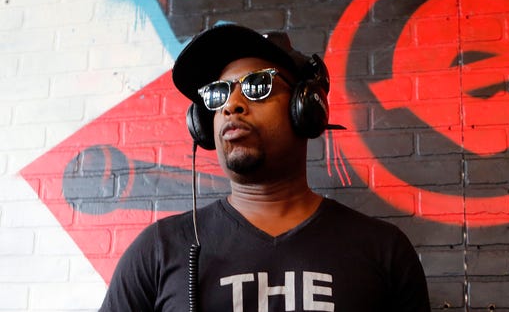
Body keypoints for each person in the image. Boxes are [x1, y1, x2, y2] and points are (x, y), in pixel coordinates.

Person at [99, 24, 431, 311]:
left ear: (305, 108)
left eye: (258, 86)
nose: (232, 105)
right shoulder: (160, 249)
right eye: (218, 94)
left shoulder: (383, 249)